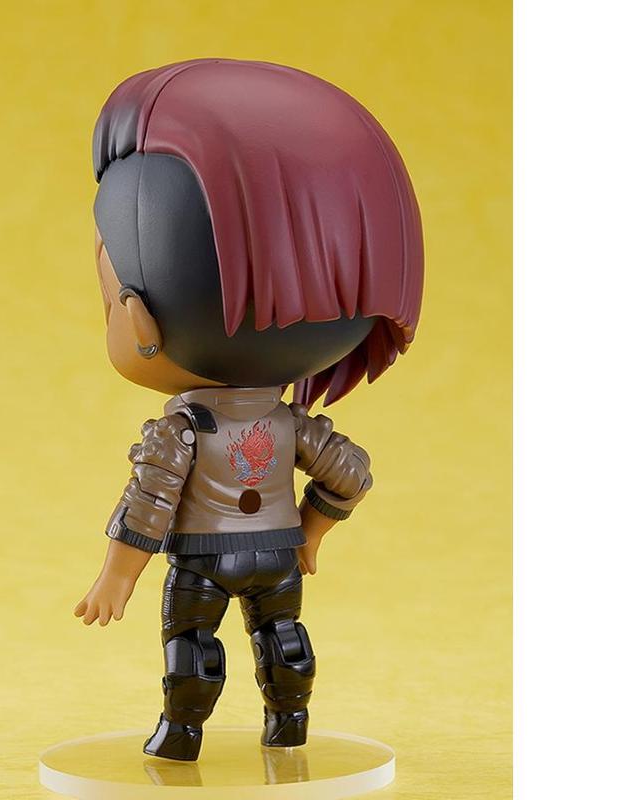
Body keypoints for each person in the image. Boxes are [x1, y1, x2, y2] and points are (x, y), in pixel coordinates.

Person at [74, 58, 424, 761]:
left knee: (191, 644)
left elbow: (151, 500)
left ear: (139, 318)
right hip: (277, 553)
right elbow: (350, 471)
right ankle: (289, 725)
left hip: (203, 560)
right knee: (283, 638)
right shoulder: (289, 424)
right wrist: (311, 532)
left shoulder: (183, 429)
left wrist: (118, 573)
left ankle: (181, 735)